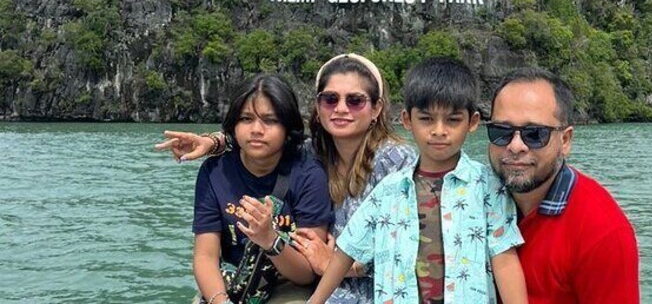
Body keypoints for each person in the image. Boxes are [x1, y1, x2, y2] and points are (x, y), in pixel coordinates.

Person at [157, 54, 415, 303]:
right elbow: (260, 141)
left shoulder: (395, 161)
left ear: (376, 108)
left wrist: (343, 265)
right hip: (324, 285)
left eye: (355, 101)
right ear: (318, 104)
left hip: (377, 286)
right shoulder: (313, 150)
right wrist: (214, 142)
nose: (341, 109)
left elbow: (412, 248)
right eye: (330, 99)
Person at [309, 57, 527, 304]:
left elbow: (504, 260)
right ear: (406, 120)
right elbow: (346, 251)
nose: (439, 130)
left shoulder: (488, 187)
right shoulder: (390, 190)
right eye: (426, 119)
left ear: (473, 122)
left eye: (453, 120)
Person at [485, 67, 640, 304]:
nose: (516, 146)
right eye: (501, 132)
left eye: (535, 134)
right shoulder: (470, 200)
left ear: (565, 140)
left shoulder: (602, 231)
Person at [191, 73, 334, 304]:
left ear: (287, 128)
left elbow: (307, 272)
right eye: (246, 119)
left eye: (270, 120)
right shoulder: (214, 172)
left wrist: (270, 239)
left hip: (286, 286)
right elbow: (205, 256)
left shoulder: (308, 175)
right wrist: (220, 301)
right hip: (231, 284)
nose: (256, 129)